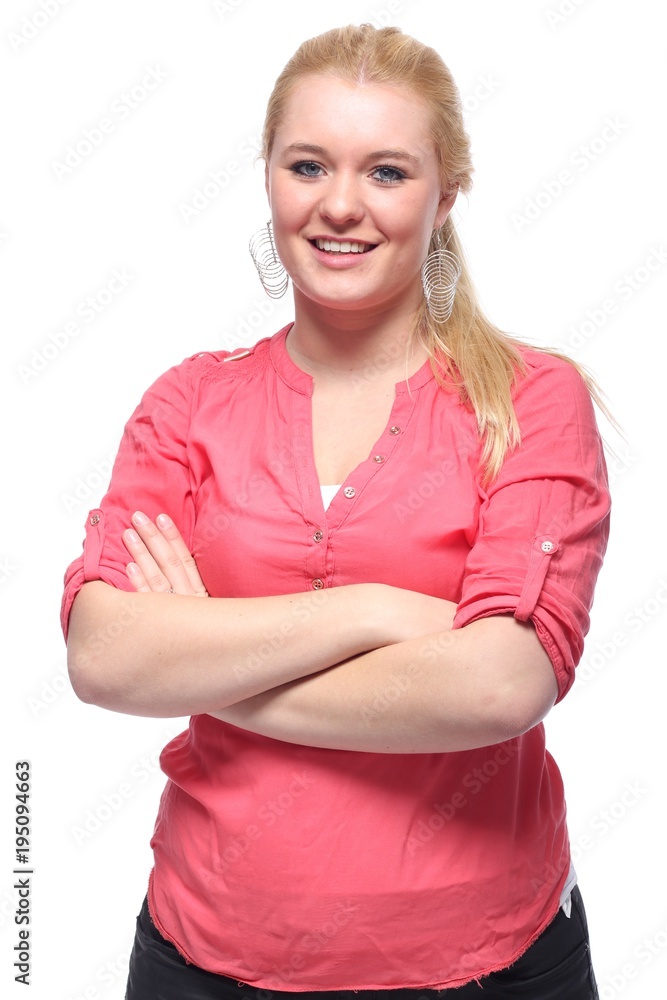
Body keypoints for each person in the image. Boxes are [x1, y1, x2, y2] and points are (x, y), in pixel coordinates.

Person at [61, 23, 609, 1000]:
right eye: (307, 164)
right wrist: (374, 610)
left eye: (386, 171)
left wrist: (211, 666)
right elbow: (105, 657)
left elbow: (497, 686)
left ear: (446, 196)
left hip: (481, 962)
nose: (340, 204)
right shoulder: (188, 403)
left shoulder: (530, 398)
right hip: (202, 953)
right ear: (269, 176)